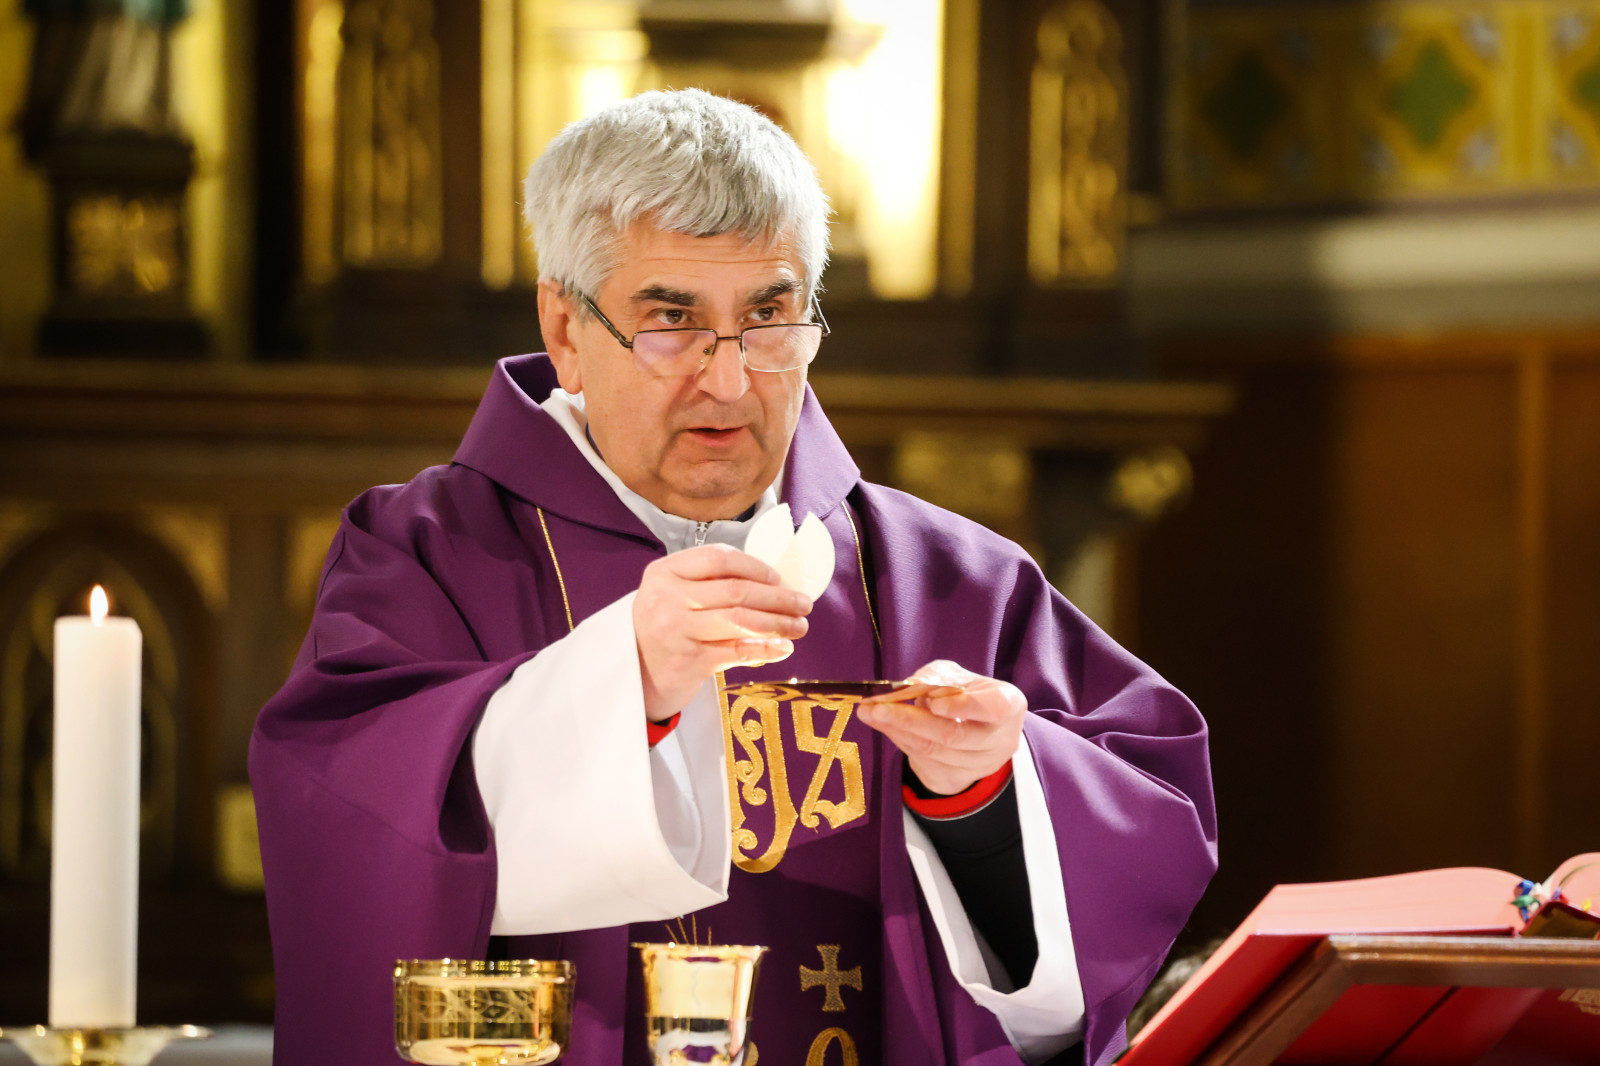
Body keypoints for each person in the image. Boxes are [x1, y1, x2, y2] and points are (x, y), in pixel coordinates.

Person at [250, 89, 1217, 1066]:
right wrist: (621, 680)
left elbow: (1138, 850)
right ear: (566, 329)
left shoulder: (952, 583)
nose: (728, 380)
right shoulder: (425, 557)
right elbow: (346, 828)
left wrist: (983, 802)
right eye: (672, 321)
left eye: (767, 319)